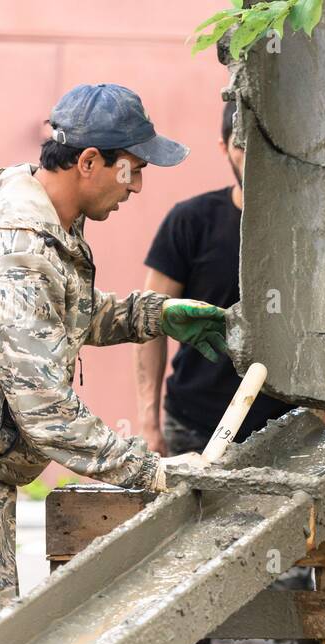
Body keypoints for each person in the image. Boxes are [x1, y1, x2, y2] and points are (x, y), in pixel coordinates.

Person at [0, 83, 229, 644]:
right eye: (132, 170)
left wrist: (155, 315)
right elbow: (47, 412)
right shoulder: (16, 251)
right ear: (89, 162)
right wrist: (153, 471)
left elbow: (64, 315)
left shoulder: (51, 226)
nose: (138, 187)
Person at [135, 105, 296, 456]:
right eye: (241, 147)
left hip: (286, 428)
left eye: (262, 148)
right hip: (193, 427)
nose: (252, 159)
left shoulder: (302, 227)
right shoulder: (190, 221)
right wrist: (149, 424)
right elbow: (149, 323)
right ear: (224, 148)